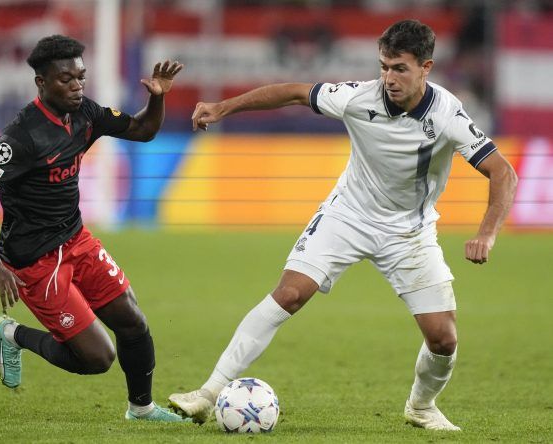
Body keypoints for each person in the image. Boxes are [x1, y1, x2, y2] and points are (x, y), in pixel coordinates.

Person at [168, 19, 517, 431]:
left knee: (443, 339)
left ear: (426, 67)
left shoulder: (447, 113)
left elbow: (502, 172)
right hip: (347, 215)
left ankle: (421, 407)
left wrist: (487, 233)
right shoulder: (357, 97)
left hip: (409, 232)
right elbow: (294, 92)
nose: (388, 78)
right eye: (384, 66)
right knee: (289, 294)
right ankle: (207, 393)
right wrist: (222, 108)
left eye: (400, 68)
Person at [0, 35, 187, 422]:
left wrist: (158, 98)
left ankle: (142, 409)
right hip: (34, 261)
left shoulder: (86, 113)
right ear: (42, 82)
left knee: (132, 321)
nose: (77, 86)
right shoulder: (22, 136)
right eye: (66, 79)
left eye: (81, 76)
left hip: (75, 239)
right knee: (97, 357)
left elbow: (143, 130)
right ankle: (12, 334)